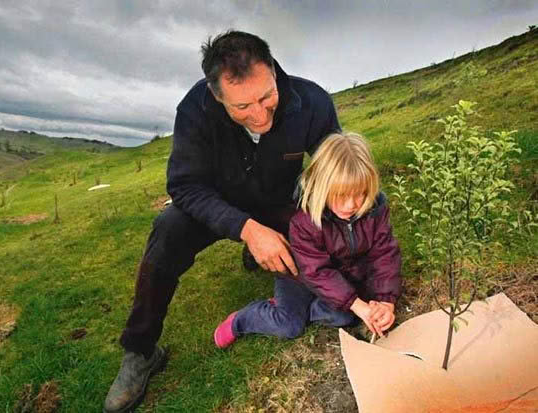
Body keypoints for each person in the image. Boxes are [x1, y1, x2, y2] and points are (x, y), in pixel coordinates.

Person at [104, 30, 341, 413]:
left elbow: (338, 170)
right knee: (167, 231)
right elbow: (184, 186)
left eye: (267, 96)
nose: (261, 115)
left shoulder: (311, 101)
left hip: (280, 203)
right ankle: (141, 351)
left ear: (274, 74)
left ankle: (311, 273)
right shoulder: (195, 110)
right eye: (243, 106)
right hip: (217, 206)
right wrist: (248, 230)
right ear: (217, 96)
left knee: (324, 222)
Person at [214, 133, 402, 348]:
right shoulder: (304, 221)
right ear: (321, 186)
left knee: (345, 317)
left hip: (343, 275)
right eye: (341, 195)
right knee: (289, 326)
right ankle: (243, 319)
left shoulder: (375, 210)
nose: (351, 205)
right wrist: (357, 304)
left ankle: (315, 305)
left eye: (360, 194)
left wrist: (386, 301)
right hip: (300, 276)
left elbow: (384, 254)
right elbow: (316, 271)